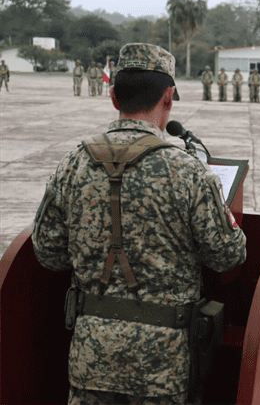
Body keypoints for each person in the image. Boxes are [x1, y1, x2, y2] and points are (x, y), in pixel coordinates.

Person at [32, 43, 247, 405]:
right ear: (168, 97)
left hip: (91, 359)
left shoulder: (73, 163)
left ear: (114, 97)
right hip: (164, 366)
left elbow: (48, 253)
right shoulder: (188, 170)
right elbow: (229, 255)